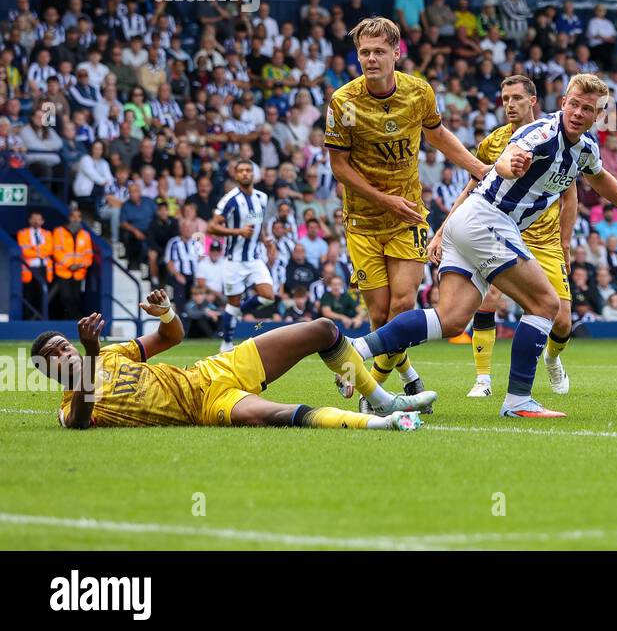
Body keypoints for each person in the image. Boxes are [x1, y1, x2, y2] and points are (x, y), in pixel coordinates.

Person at [343, 74, 617, 418]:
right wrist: (511, 166)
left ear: (597, 116)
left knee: (450, 320)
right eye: (574, 104)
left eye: (588, 109)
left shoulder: (585, 149)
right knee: (545, 304)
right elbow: (510, 158)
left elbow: (600, 179)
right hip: (486, 221)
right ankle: (519, 400)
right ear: (562, 102)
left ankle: (357, 348)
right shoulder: (539, 133)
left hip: (470, 225)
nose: (578, 112)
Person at [325, 16, 491, 411]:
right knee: (380, 316)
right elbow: (340, 167)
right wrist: (384, 200)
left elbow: (436, 135)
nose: (370, 59)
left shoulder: (418, 92)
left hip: (408, 217)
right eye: (364, 52)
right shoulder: (343, 102)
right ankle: (408, 377)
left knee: (402, 306)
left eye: (379, 51)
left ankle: (371, 397)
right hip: (363, 222)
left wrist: (476, 168)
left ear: (396, 53)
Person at [31, 290, 434, 430]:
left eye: (64, 345)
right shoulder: (70, 407)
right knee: (279, 415)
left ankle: (381, 398)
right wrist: (89, 352)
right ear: (49, 371)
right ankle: (383, 421)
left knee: (323, 329)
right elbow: (82, 423)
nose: (64, 352)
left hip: (211, 372)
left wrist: (167, 311)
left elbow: (171, 337)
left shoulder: (115, 353)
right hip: (205, 407)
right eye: (55, 355)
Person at [433, 75, 577, 399]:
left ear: (533, 100)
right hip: (498, 230)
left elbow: (570, 196)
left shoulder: (556, 137)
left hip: (544, 238)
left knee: (563, 321)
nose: (510, 105)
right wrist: (442, 230)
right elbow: (473, 189)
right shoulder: (493, 142)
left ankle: (552, 359)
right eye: (505, 99)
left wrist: (565, 242)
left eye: (516, 98)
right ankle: (483, 379)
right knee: (487, 300)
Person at [207, 160, 275, 352]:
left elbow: (257, 225)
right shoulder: (230, 200)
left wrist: (265, 240)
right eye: (241, 171)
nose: (245, 174)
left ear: (253, 174)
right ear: (236, 175)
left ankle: (234, 314)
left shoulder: (262, 197)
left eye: (248, 171)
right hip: (233, 261)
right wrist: (238, 232)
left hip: (254, 259)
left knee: (268, 295)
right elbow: (212, 227)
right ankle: (226, 344)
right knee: (233, 302)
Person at [51, 208, 94, 320]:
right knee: (65, 298)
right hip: (63, 271)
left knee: (76, 298)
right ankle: (76, 320)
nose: (76, 219)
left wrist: (80, 265)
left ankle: (73, 320)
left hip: (79, 272)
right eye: (74, 216)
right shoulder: (59, 231)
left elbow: (89, 255)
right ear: (69, 218)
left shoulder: (85, 234)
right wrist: (70, 264)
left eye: (78, 217)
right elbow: (57, 251)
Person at [18, 211, 54, 318]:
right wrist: (40, 251)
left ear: (42, 221)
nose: (36, 221)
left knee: (42, 296)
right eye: (34, 218)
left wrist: (33, 249)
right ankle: (29, 319)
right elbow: (24, 251)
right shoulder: (23, 233)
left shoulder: (48, 234)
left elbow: (49, 250)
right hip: (29, 269)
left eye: (38, 219)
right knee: (29, 296)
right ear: (29, 220)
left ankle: (41, 318)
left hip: (44, 269)